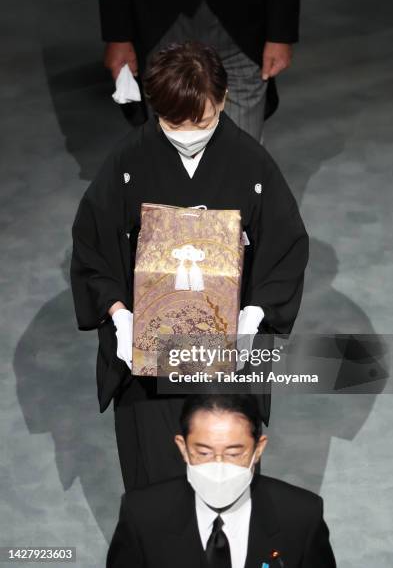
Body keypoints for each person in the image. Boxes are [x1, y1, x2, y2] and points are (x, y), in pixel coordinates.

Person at [70, 42, 308, 492]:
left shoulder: (251, 164)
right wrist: (120, 315)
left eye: (199, 120)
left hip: (226, 356)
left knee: (223, 484)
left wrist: (253, 316)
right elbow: (92, 248)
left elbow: (285, 248)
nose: (187, 132)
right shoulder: (127, 162)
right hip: (151, 358)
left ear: (221, 101)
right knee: (154, 482)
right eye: (172, 122)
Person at [107, 394, 337, 568]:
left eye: (234, 454)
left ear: (259, 449)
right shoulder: (142, 514)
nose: (218, 466)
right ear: (183, 448)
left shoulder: (301, 515)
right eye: (204, 453)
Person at [94, 0, 300, 140]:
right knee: (171, 156)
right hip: (158, 10)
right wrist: (118, 35)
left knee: (241, 157)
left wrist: (280, 33)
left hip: (242, 14)